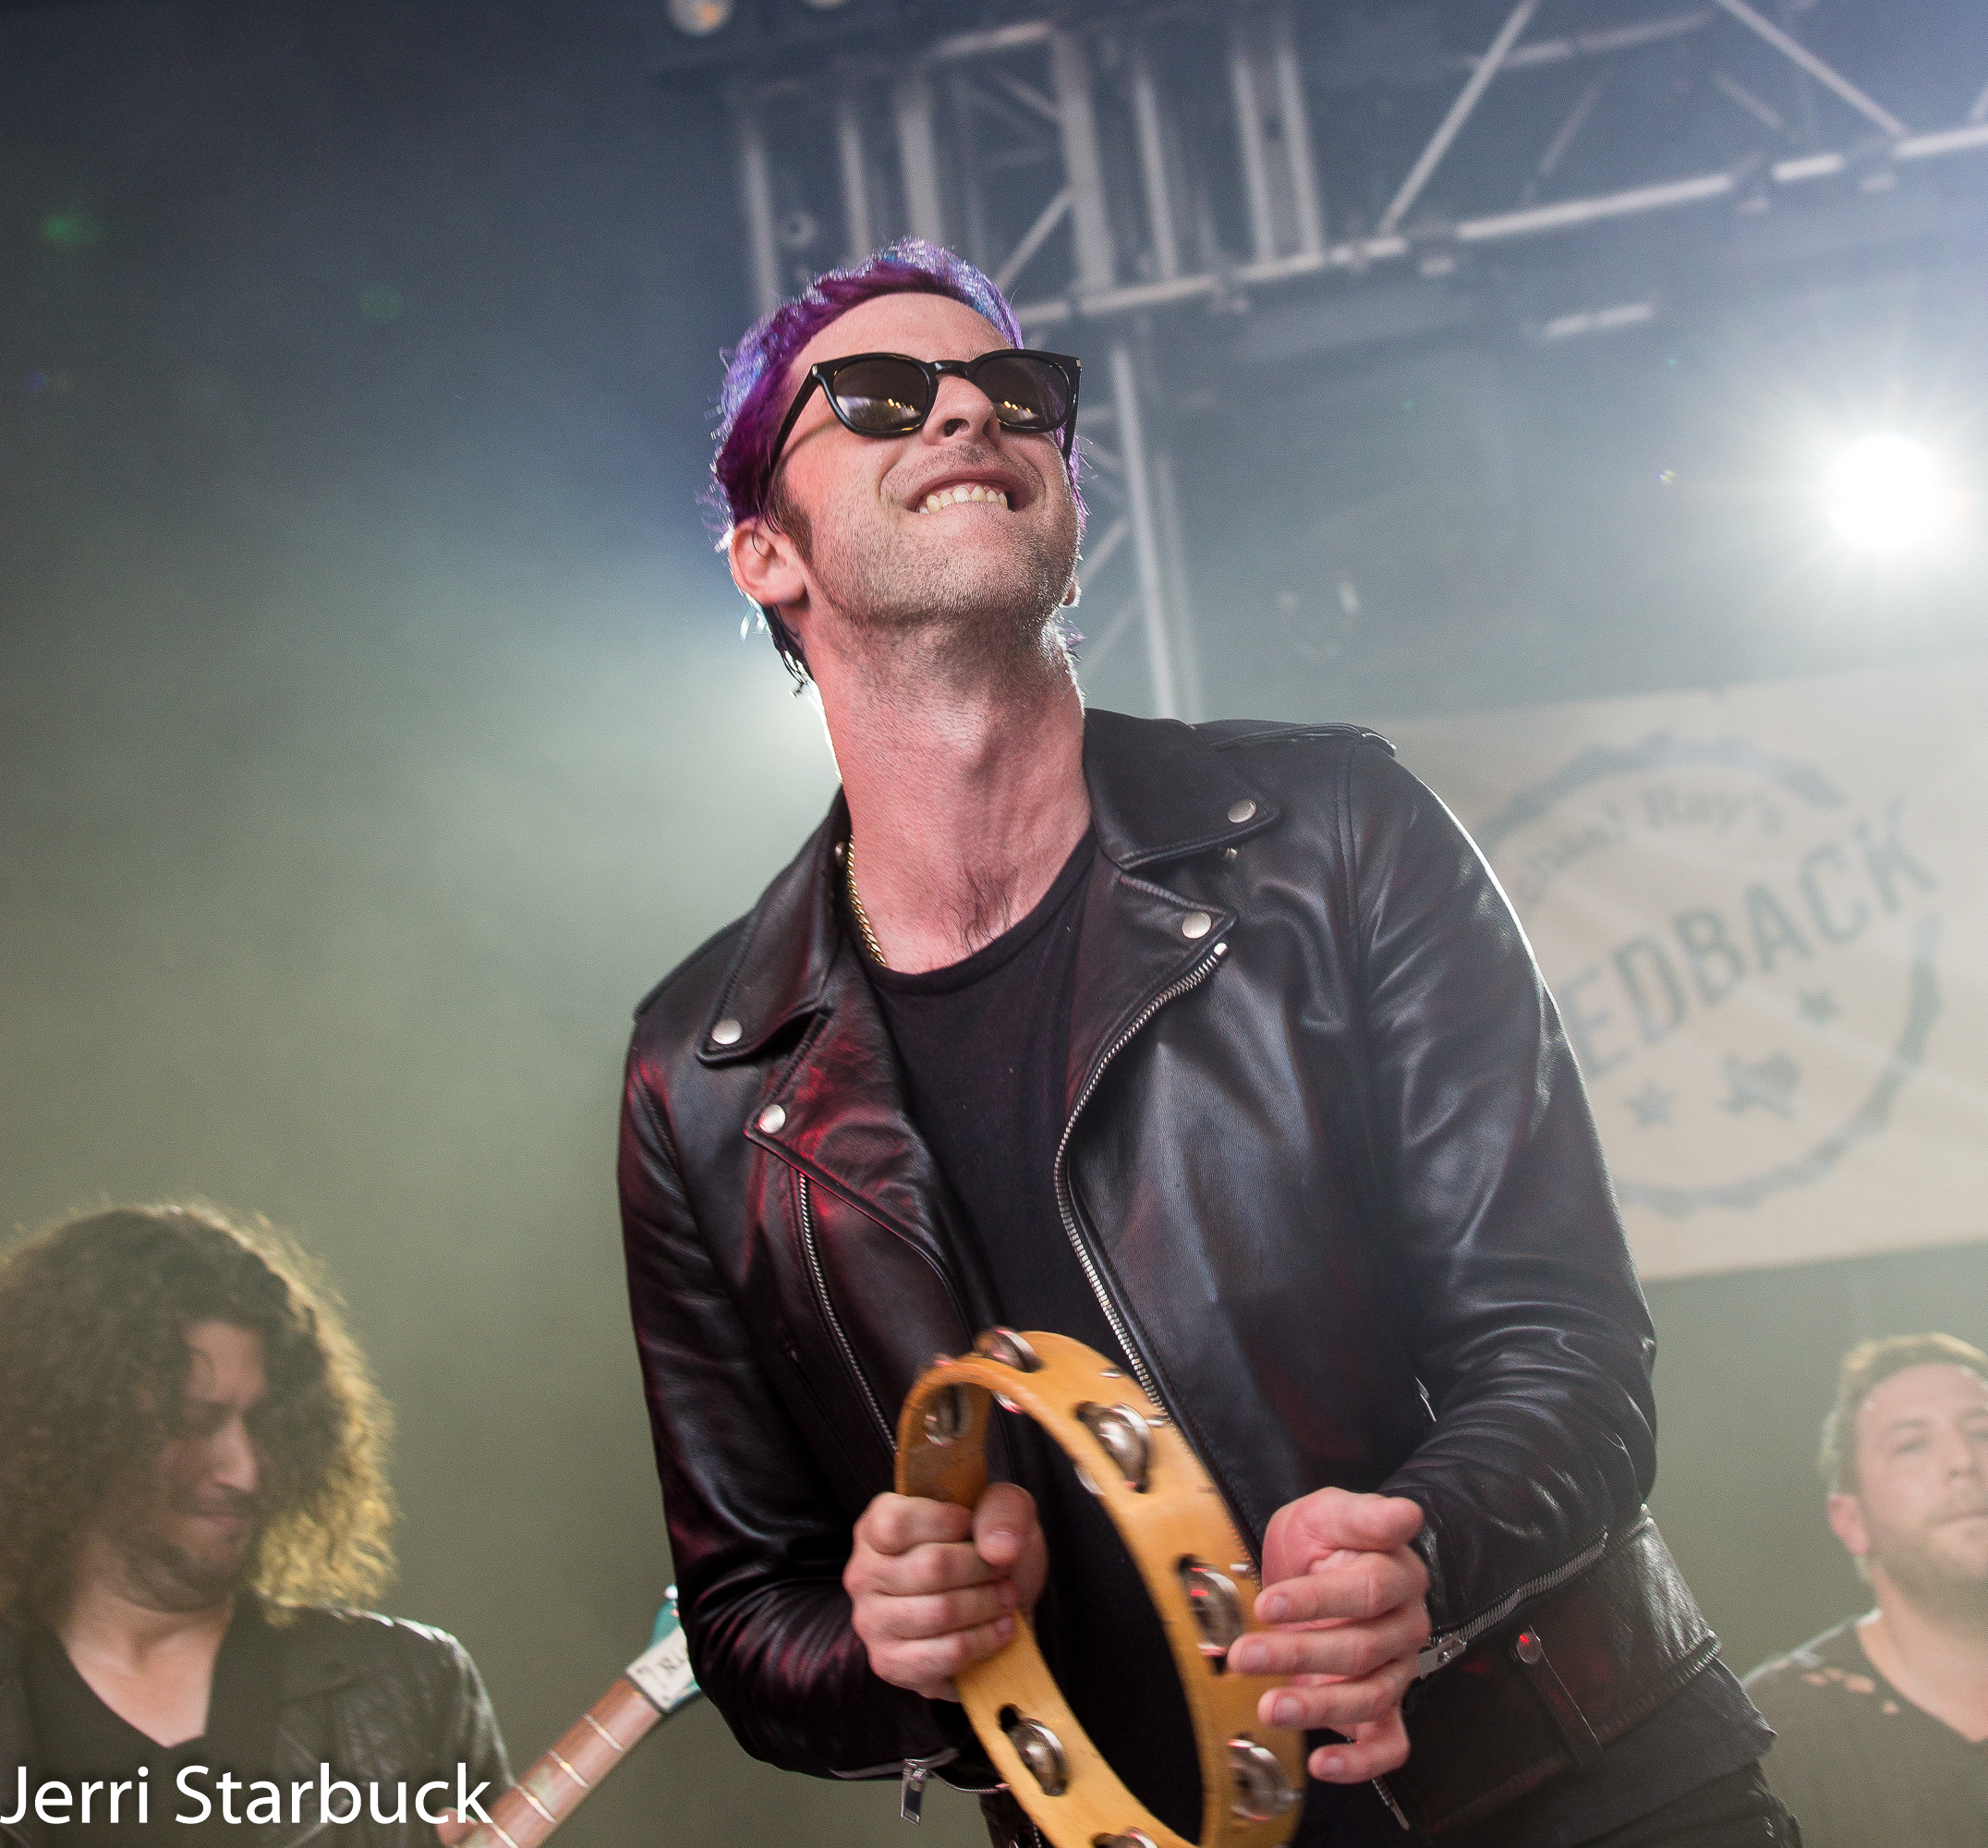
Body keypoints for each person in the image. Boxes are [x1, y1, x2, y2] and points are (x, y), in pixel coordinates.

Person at [619, 241, 1788, 1847]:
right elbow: (751, 1615)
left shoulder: (1336, 830)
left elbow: (1566, 1352)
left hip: (1579, 1797)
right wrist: (892, 1646)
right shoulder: (702, 1071)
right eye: (881, 397)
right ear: (767, 552)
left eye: (1013, 389)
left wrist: (1424, 1549)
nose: (967, 412)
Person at [0, 1203, 508, 1847]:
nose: (245, 1472)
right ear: (79, 1426)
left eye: (263, 1425)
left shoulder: (411, 1685)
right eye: (195, 1421)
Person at [1744, 1333, 1988, 1847]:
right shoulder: (1774, 1738)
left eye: (1983, 1432)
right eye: (1912, 1444)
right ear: (1850, 1520)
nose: (1964, 1461)